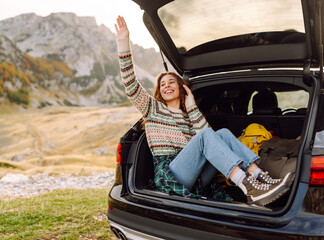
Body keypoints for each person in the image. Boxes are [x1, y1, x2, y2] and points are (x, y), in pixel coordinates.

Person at [115, 16, 294, 206]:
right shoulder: (152, 109)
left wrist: (191, 104)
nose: (167, 86)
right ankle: (247, 186)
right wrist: (123, 42)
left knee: (223, 134)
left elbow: (209, 140)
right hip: (170, 173)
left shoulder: (188, 114)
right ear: (159, 91)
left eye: (172, 82)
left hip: (197, 175)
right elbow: (130, 84)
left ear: (181, 88)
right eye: (163, 84)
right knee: (207, 135)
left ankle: (259, 176)